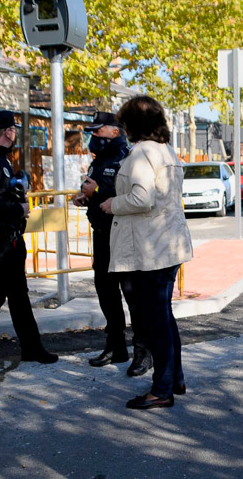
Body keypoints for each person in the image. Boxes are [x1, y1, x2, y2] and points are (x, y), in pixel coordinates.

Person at [100, 95, 193, 410]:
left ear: (132, 125)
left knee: (156, 321)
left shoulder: (141, 153)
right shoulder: (166, 151)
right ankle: (173, 378)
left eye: (124, 122)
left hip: (151, 249)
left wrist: (113, 204)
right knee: (164, 318)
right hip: (168, 246)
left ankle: (162, 389)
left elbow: (142, 198)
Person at [0, 110, 58, 377]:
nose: (14, 133)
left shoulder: (2, 160)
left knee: (19, 296)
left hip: (12, 239)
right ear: (8, 132)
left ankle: (32, 347)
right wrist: (19, 208)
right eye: (13, 130)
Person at [73, 111, 152, 375]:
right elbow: (102, 190)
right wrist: (87, 197)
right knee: (106, 292)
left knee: (132, 294)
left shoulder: (126, 158)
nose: (92, 136)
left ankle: (143, 351)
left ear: (114, 132)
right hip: (101, 235)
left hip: (122, 236)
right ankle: (116, 345)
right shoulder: (100, 159)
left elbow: (130, 196)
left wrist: (96, 192)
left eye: (98, 131)